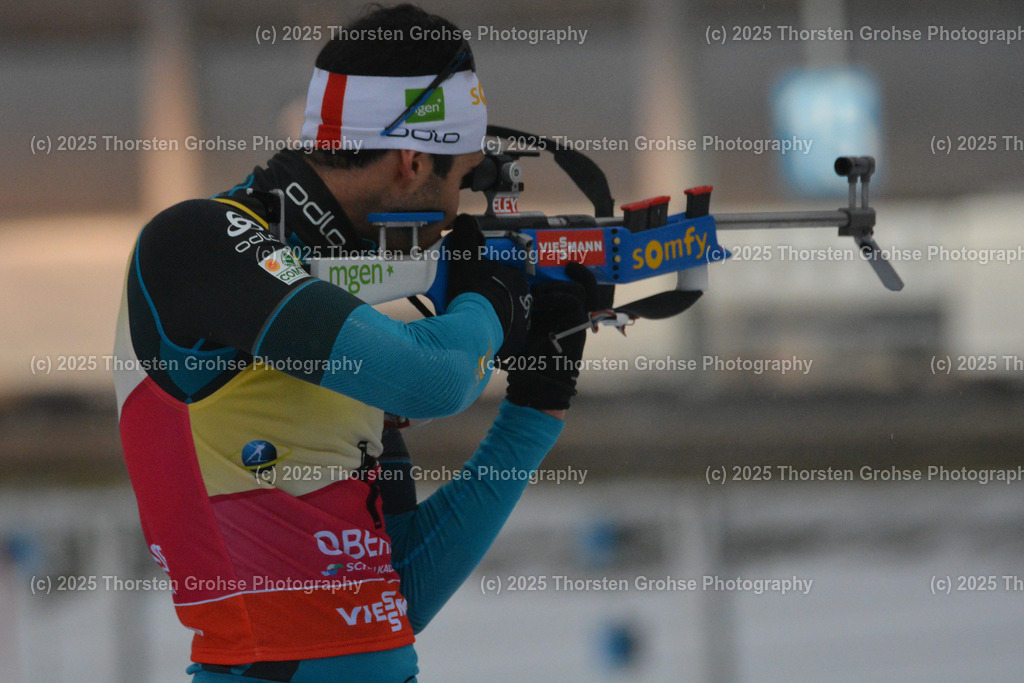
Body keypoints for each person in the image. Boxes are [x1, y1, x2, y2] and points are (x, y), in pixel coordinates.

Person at [113, 5, 599, 681]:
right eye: (460, 180)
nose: (460, 211)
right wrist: (492, 298)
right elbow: (436, 379)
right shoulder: (199, 240)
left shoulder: (333, 311)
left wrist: (537, 406)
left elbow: (399, 597)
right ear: (410, 160)